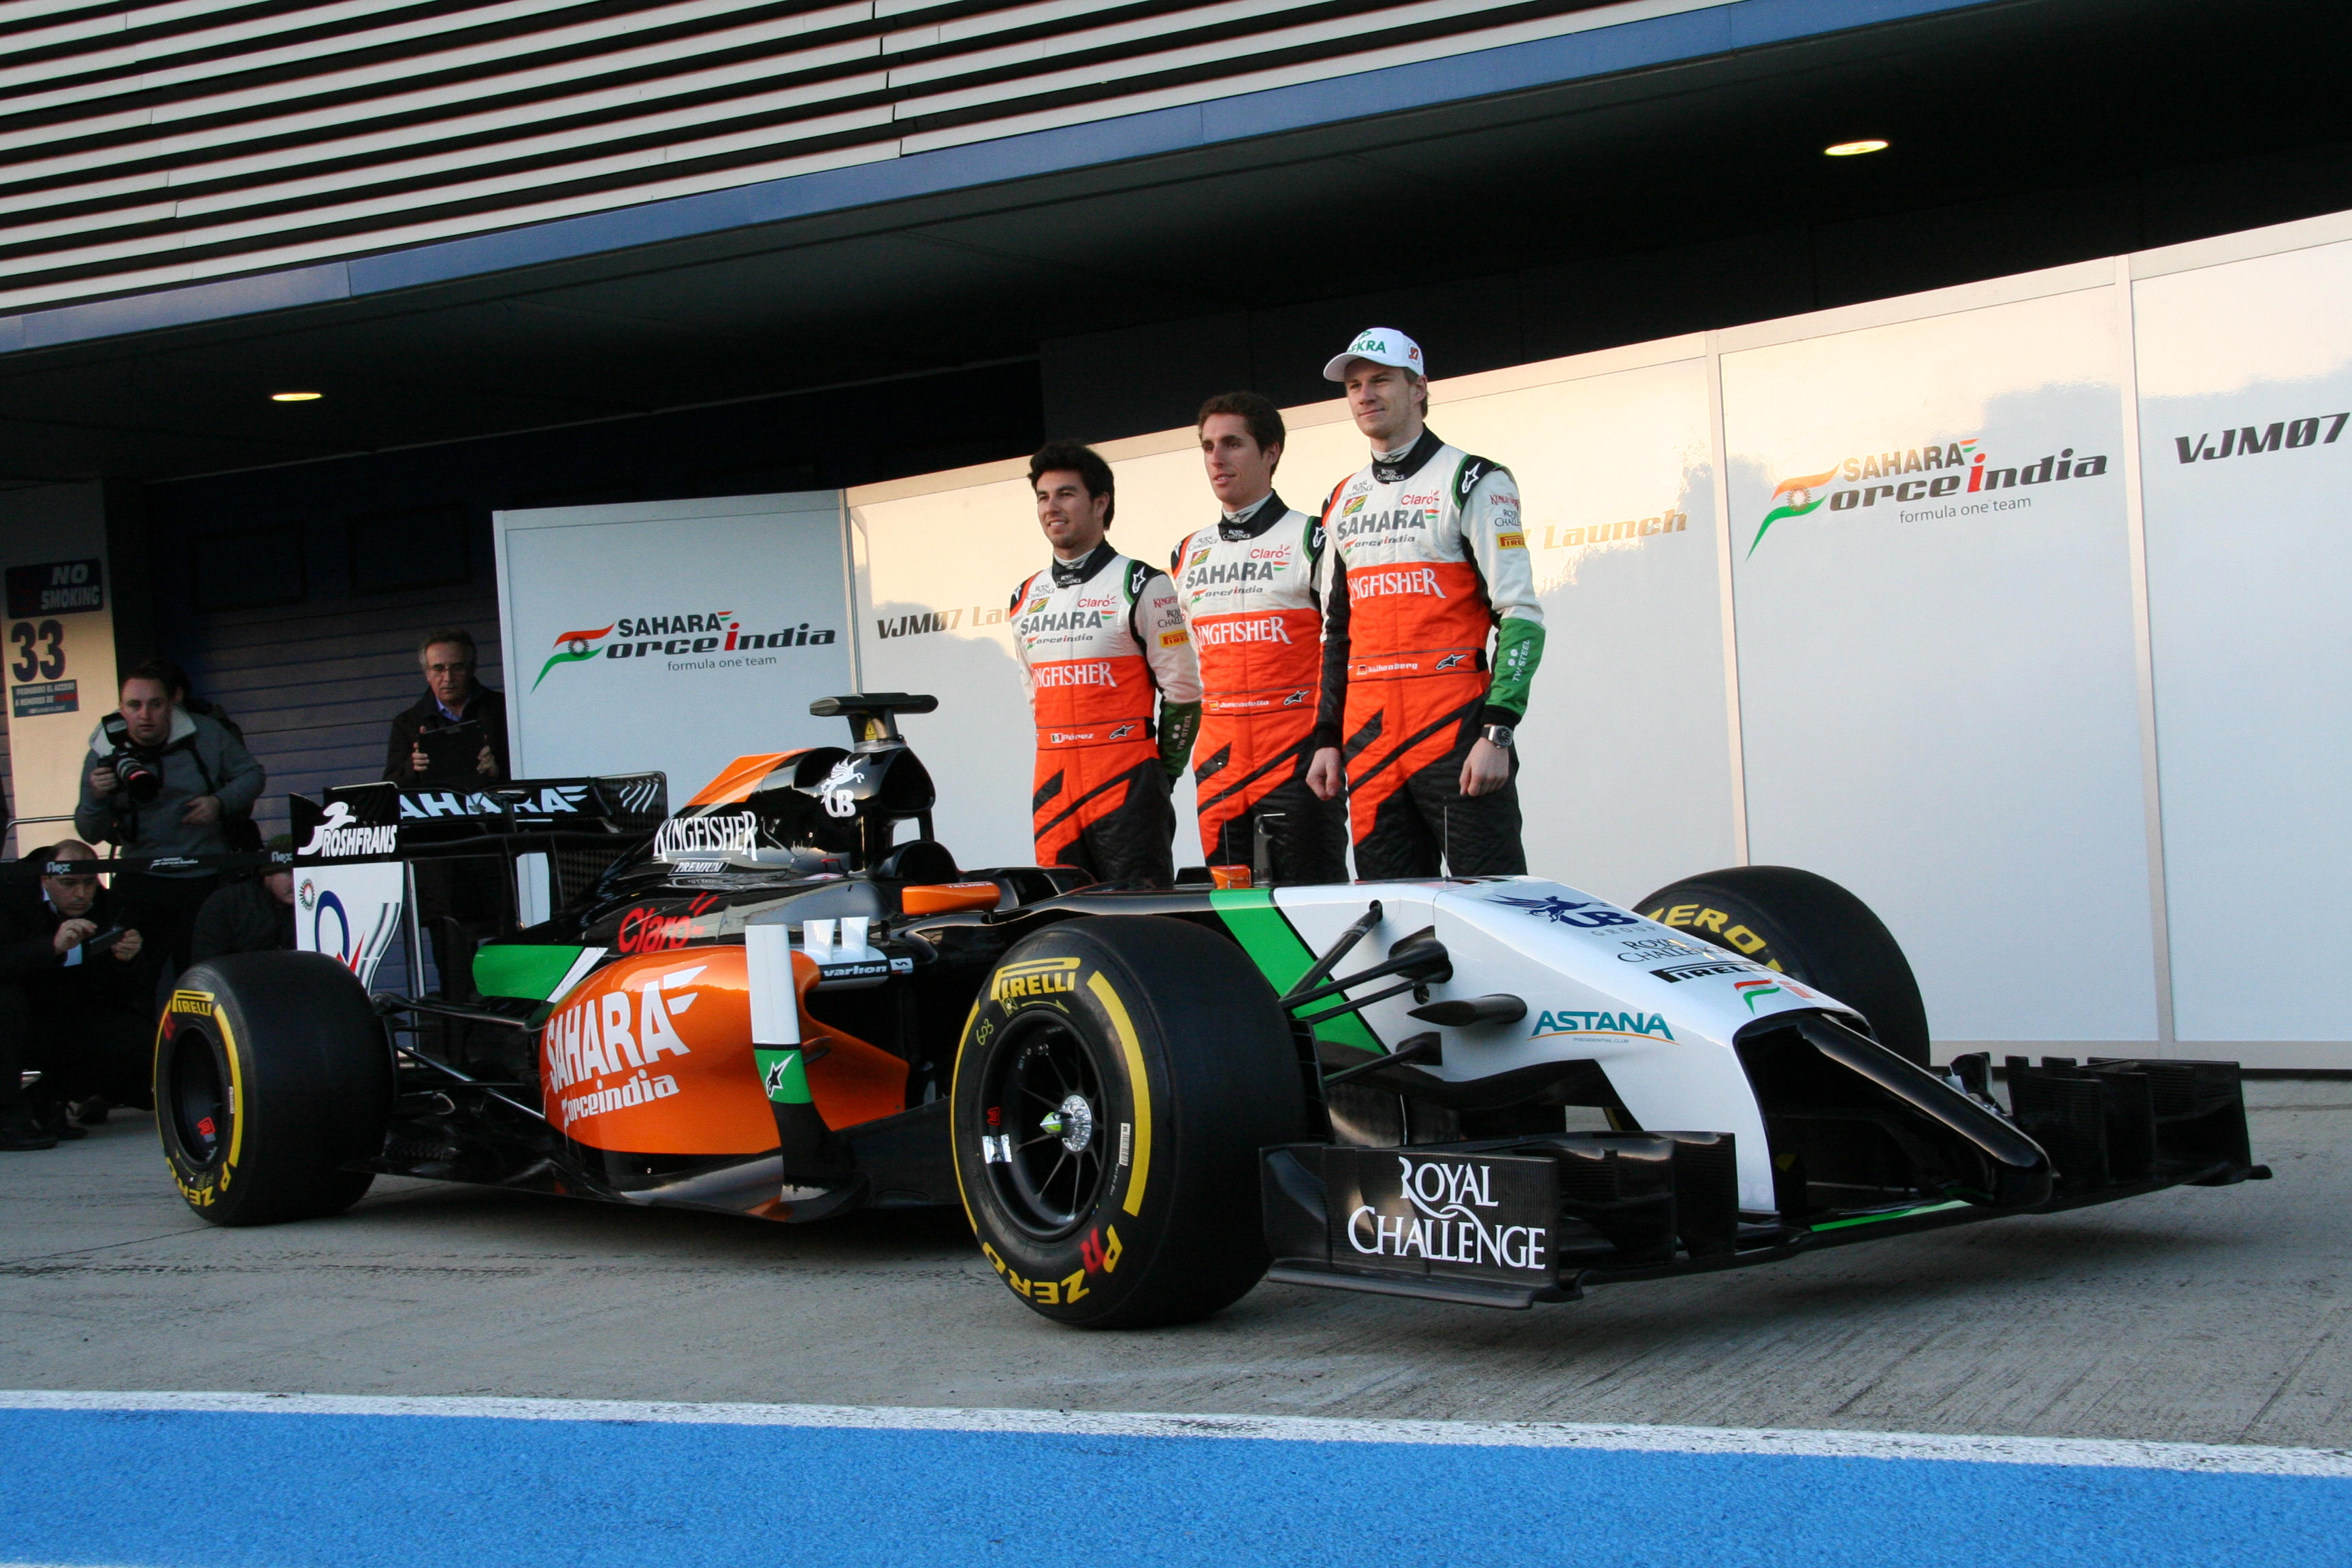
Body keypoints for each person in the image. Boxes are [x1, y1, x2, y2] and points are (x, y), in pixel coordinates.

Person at [1305, 328, 1546, 877]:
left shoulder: (1474, 480)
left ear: (1419, 388)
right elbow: (1336, 631)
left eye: (1381, 380)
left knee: (1491, 898)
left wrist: (1498, 732)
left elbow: (1520, 616)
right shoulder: (1341, 499)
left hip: (1455, 731)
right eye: (1354, 386)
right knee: (1390, 904)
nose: (1365, 395)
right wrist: (1327, 738)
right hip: (1370, 738)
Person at [1169, 392, 1350, 883]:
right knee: (1234, 914)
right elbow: (1191, 664)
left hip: (1296, 758)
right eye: (1208, 446)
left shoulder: (1314, 538)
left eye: (1232, 444)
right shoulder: (1188, 553)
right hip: (1219, 765)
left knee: (1309, 907)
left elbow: (1341, 647)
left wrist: (1331, 740)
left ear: (1271, 452)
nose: (1216, 458)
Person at [1009, 440, 1202, 885]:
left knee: (1139, 913)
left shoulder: (1142, 584)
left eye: (1066, 494)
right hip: (1054, 784)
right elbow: (1035, 695)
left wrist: (1162, 776)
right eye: (1043, 497)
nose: (1051, 507)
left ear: (1100, 503)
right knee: (1062, 909)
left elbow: (1184, 694)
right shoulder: (1025, 596)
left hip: (1126, 780)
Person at [76, 660, 266, 983]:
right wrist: (96, 797)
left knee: (204, 976)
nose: (145, 715)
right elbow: (89, 832)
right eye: (134, 705)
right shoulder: (104, 749)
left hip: (205, 872)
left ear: (172, 703)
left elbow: (253, 775)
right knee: (129, 974)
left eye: (155, 704)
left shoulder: (205, 732)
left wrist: (219, 803)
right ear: (121, 708)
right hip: (140, 873)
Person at [0, 842, 147, 1149]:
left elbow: (123, 992)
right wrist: (51, 947)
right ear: (45, 879)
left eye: (90, 883)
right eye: (69, 883)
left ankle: (47, 1099)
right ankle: (7, 1117)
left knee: (141, 1039)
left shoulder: (111, 906)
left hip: (65, 1014)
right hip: (17, 1015)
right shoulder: (10, 899)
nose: (81, 894)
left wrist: (125, 961)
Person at [385, 628, 508, 787]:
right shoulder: (406, 723)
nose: (448, 678)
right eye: (438, 668)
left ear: (471, 669)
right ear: (427, 674)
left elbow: (532, 768)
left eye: (457, 667)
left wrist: (496, 772)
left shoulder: (505, 710)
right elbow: (390, 787)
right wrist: (413, 767)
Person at [189, 836, 296, 962]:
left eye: (304, 874)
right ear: (268, 874)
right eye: (289, 873)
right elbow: (208, 963)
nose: (297, 882)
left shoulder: (314, 906)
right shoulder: (227, 904)